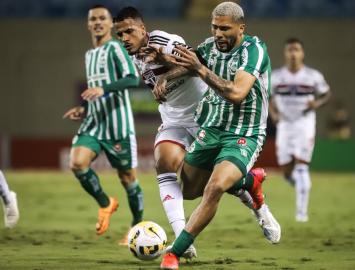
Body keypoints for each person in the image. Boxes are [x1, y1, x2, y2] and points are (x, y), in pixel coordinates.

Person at [113, 6, 276, 258]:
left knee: (216, 183)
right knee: (167, 166)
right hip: (174, 120)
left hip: (206, 116)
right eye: (120, 34)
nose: (124, 38)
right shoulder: (135, 55)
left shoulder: (166, 41)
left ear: (142, 29)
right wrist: (165, 76)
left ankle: (250, 188)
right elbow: (189, 64)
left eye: (128, 32)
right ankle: (183, 239)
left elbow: (193, 63)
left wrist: (165, 64)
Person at [158, 2, 281, 269]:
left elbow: (237, 94)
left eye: (225, 28)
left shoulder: (254, 51)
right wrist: (166, 76)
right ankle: (249, 182)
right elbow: (192, 62)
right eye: (214, 27)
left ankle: (174, 253)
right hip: (212, 127)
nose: (218, 33)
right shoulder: (210, 45)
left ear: (241, 27)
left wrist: (200, 69)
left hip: (244, 134)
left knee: (214, 188)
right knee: (190, 191)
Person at [62, 5, 143, 238]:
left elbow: (131, 78)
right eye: (93, 19)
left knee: (127, 178)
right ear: (88, 24)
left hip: (118, 125)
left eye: (102, 18)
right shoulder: (90, 54)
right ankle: (106, 202)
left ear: (110, 24)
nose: (97, 22)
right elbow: (97, 91)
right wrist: (84, 108)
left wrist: (103, 88)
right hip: (94, 122)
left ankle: (136, 228)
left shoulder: (116, 48)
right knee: (77, 163)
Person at [269, 37, 331, 222]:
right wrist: (273, 114)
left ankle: (301, 213)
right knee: (287, 171)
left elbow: (326, 93)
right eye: (290, 50)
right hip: (285, 125)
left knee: (302, 166)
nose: (293, 53)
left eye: (296, 49)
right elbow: (269, 97)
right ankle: (301, 185)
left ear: (302, 53)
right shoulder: (277, 76)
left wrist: (317, 103)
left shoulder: (313, 76)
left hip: (305, 124)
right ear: (285, 53)